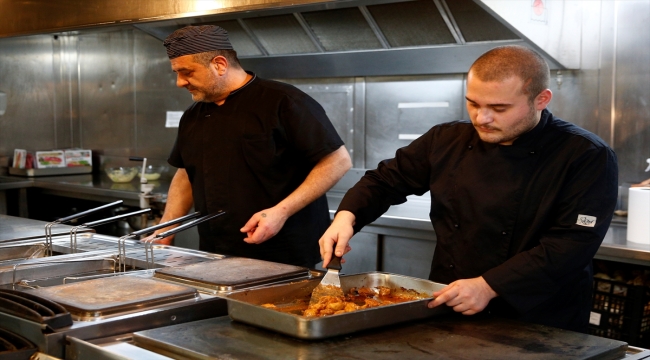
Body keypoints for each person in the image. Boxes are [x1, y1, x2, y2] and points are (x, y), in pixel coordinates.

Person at [319, 45, 618, 332]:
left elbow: (570, 245)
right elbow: (384, 181)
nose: (482, 118)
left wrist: (489, 285)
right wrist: (347, 216)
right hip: (451, 305)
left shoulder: (585, 155)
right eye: (473, 103)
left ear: (541, 99)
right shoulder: (446, 139)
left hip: (539, 322)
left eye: (499, 108)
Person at [154, 25, 351, 267]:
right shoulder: (193, 115)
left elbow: (338, 161)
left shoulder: (284, 102)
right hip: (215, 254)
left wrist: (280, 211)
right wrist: (166, 228)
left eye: (186, 72)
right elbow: (186, 173)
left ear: (219, 64)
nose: (180, 82)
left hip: (283, 254)